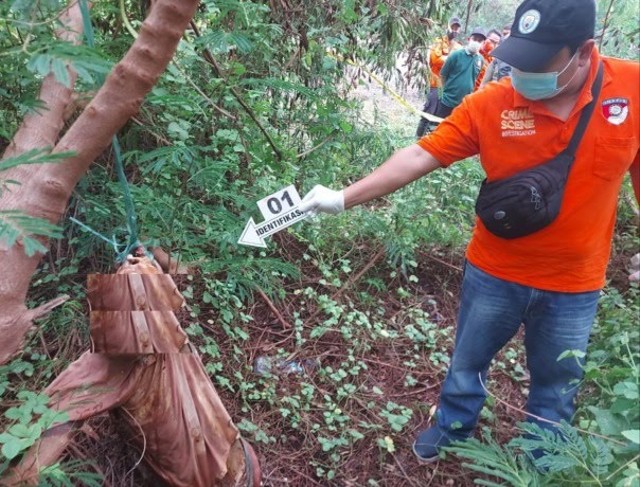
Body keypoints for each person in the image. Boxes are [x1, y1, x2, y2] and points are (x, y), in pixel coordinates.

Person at [300, 0, 639, 464]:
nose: (522, 74)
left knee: (556, 386)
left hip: (575, 285)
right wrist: (342, 197)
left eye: (539, 63)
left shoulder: (632, 91)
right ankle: (453, 428)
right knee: (467, 365)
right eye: (518, 60)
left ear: (584, 52)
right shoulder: (492, 103)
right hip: (494, 273)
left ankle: (540, 463)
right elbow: (421, 155)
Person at [416, 17, 463, 137]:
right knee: (428, 113)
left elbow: (459, 65)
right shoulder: (439, 42)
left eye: (457, 28)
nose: (454, 30)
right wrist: (451, 58)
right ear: (447, 27)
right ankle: (418, 138)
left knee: (440, 118)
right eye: (453, 27)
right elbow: (435, 59)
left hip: (449, 88)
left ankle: (432, 141)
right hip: (435, 84)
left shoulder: (459, 47)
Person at [433, 27, 486, 119]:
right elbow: (442, 75)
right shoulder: (456, 55)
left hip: (463, 105)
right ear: (469, 39)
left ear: (483, 43)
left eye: (480, 41)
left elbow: (474, 79)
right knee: (438, 126)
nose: (476, 42)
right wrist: (440, 95)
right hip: (446, 101)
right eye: (474, 39)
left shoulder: (480, 60)